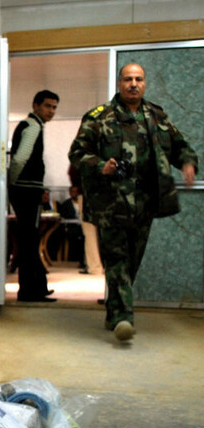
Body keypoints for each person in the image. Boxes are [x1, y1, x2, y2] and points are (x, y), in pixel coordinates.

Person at [69, 63, 197, 341]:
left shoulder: (157, 116)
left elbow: (180, 146)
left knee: (132, 262)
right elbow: (77, 153)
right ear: (119, 84)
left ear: (145, 83)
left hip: (145, 203)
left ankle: (114, 311)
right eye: (128, 79)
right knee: (116, 260)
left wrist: (187, 163)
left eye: (139, 79)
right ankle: (123, 318)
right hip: (110, 203)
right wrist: (101, 165)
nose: (133, 84)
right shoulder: (99, 117)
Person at [8, 89, 59, 302]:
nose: (51, 111)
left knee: (29, 240)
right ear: (35, 105)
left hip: (26, 189)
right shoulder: (32, 126)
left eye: (54, 107)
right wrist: (12, 182)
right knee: (29, 241)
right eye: (47, 106)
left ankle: (36, 287)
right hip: (26, 190)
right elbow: (20, 159)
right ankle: (30, 291)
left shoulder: (33, 125)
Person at [58, 185, 85, 266]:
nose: (75, 194)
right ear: (70, 193)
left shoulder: (83, 203)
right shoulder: (66, 204)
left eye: (77, 192)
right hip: (71, 227)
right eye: (73, 192)